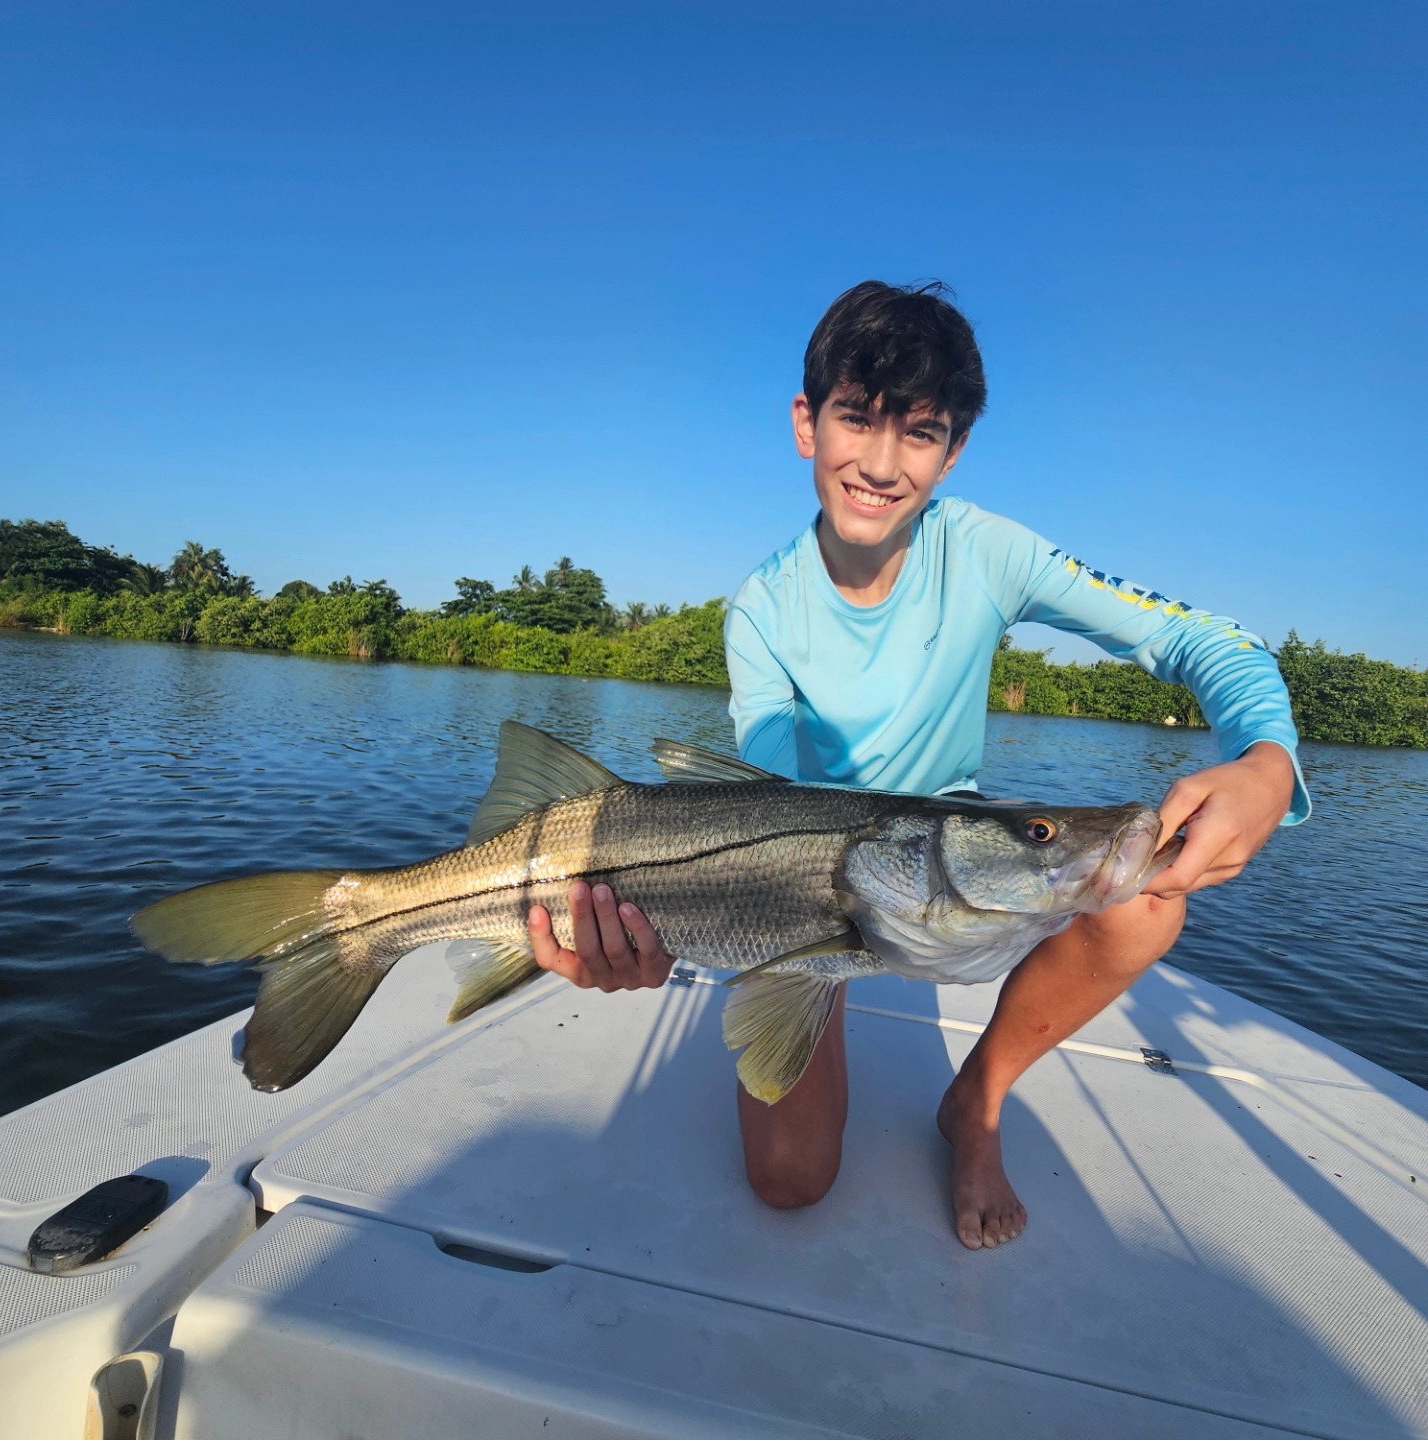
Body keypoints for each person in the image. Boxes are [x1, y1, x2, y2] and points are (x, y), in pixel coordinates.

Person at [527, 280, 1310, 1251]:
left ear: (955, 450)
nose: (883, 463)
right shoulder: (760, 610)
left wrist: (1268, 762)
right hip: (825, 884)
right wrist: (675, 927)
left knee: (1149, 893)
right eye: (857, 418)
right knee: (789, 1180)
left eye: (922, 433)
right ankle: (833, 986)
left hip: (958, 838)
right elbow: (773, 802)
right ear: (806, 424)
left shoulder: (985, 551)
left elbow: (1208, 642)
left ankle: (975, 1105)